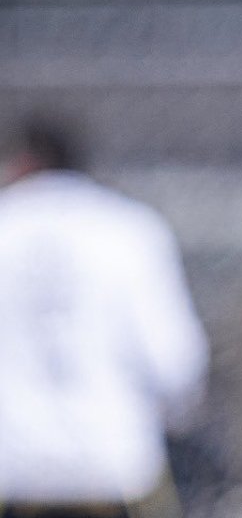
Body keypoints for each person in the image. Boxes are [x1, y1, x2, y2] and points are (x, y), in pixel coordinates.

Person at [0, 117, 209, 518]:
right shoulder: (129, 231)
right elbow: (176, 362)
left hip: (14, 475)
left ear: (22, 163)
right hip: (114, 471)